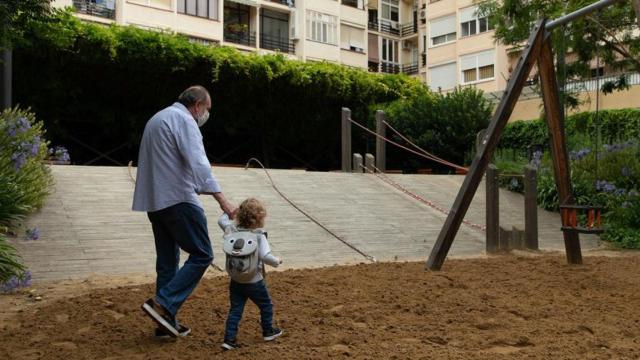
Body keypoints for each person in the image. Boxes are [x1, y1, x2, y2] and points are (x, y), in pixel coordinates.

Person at [132, 85, 236, 338]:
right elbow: (199, 162)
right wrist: (223, 201)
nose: (205, 115)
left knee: (167, 263)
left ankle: (165, 323)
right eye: (207, 109)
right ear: (198, 105)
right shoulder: (184, 120)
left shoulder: (157, 118)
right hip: (178, 200)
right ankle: (163, 303)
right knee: (202, 254)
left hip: (155, 202)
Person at [218, 198, 283, 350]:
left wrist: (227, 211)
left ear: (240, 215)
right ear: (260, 218)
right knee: (266, 305)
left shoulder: (231, 230)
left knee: (235, 309)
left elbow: (221, 221)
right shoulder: (259, 235)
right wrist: (277, 261)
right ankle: (268, 331)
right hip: (255, 281)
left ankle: (229, 339)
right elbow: (266, 256)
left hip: (236, 281)